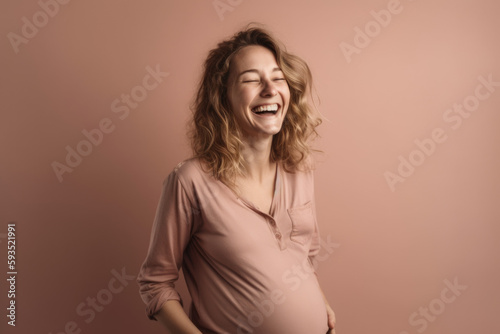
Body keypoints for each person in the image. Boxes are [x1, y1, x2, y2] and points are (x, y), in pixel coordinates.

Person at [136, 25, 336, 334]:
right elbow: (155, 283)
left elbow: (304, 260)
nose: (270, 89)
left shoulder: (299, 169)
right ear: (223, 98)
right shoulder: (190, 182)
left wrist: (320, 306)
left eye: (278, 78)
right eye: (252, 80)